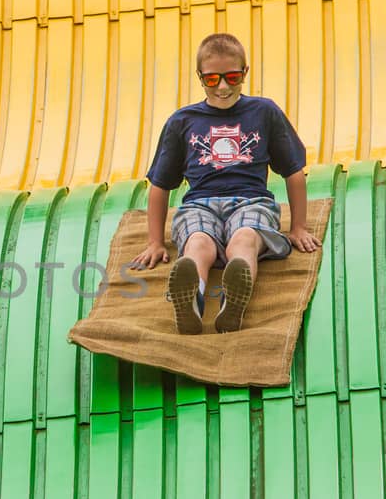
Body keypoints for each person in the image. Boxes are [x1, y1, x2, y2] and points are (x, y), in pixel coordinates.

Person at [129, 32, 321, 334]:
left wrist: (298, 226)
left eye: (232, 77)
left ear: (244, 73)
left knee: (244, 239)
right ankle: (192, 299)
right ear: (200, 77)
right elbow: (160, 185)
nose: (222, 86)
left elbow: (293, 171)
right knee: (198, 242)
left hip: (251, 200)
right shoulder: (182, 121)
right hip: (199, 204)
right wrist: (155, 241)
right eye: (212, 79)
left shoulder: (264, 112)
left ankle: (234, 299)